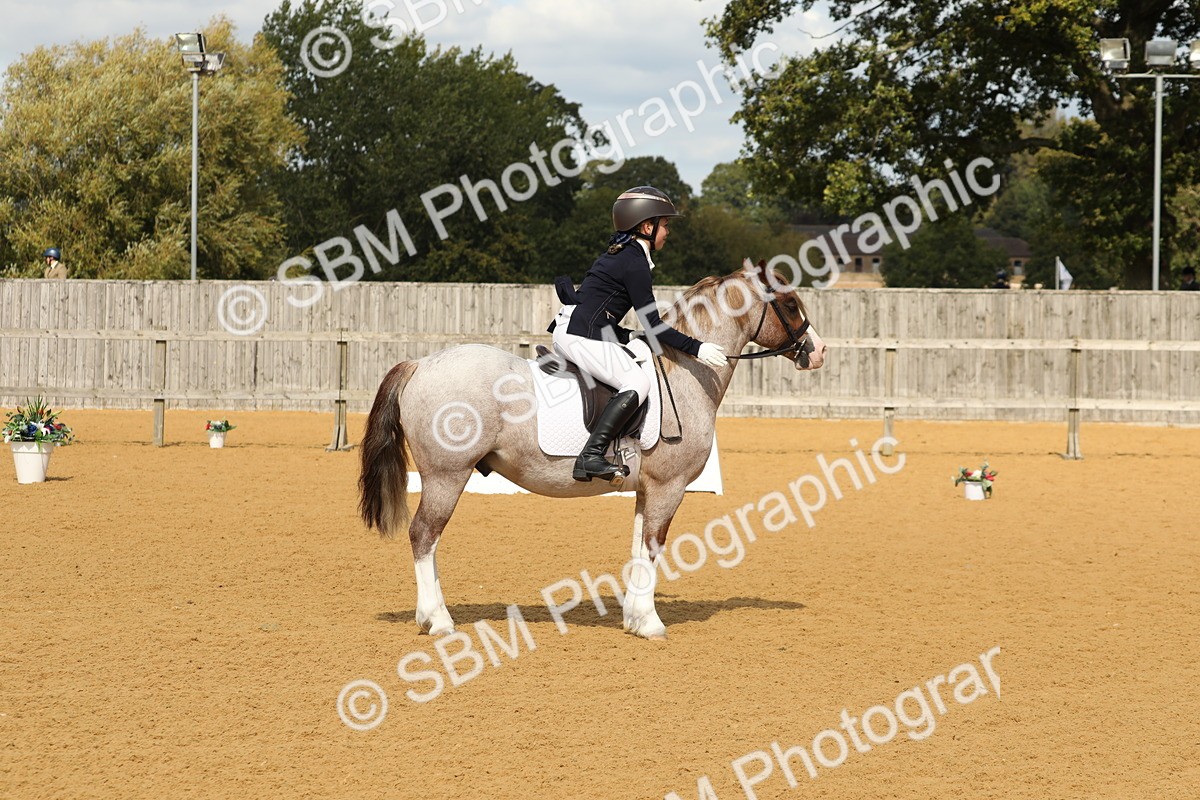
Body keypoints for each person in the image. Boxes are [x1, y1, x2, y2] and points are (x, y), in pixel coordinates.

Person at [547, 186, 728, 482]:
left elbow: (600, 310)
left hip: (580, 329)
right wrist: (697, 348)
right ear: (647, 226)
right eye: (665, 224)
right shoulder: (634, 262)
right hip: (578, 335)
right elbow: (654, 325)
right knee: (637, 381)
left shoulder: (624, 254)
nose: (667, 231)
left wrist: (628, 336)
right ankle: (591, 455)